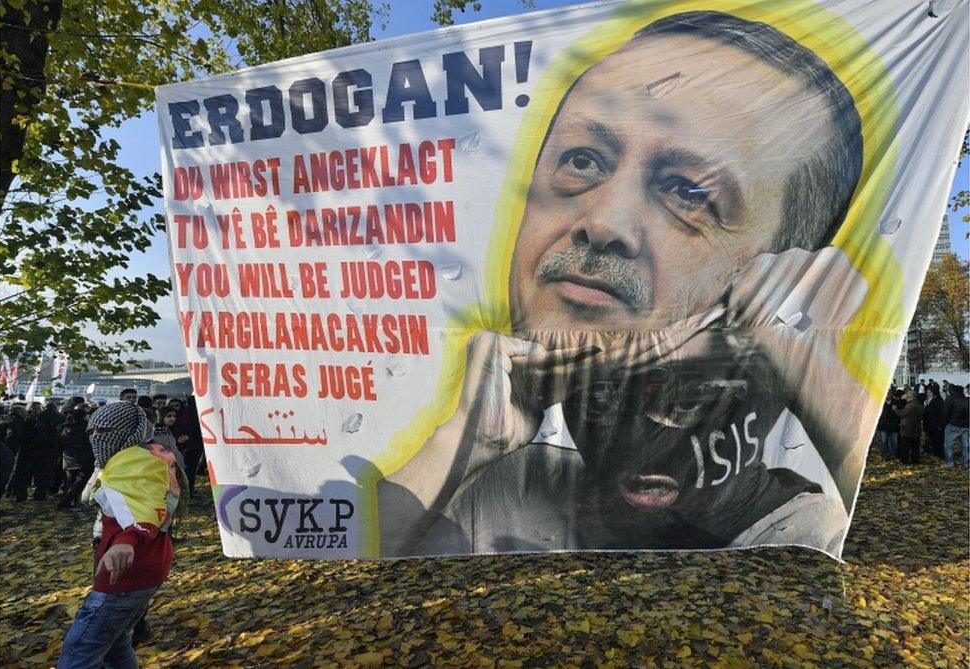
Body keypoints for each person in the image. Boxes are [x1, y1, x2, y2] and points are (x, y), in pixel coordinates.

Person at [380, 10, 872, 556]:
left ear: (787, 277)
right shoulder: (502, 492)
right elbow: (344, 585)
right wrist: (460, 441)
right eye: (583, 160)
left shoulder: (811, 535)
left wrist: (818, 373)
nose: (602, 222)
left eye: (689, 193)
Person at [57, 402, 178, 669]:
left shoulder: (134, 460)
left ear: (131, 431)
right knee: (115, 645)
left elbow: (144, 507)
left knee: (79, 653)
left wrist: (126, 542)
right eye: (93, 430)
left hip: (127, 569)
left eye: (106, 430)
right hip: (146, 564)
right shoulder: (149, 455)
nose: (97, 436)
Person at [56, 407, 93, 509]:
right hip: (84, 458)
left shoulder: (63, 428)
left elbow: (59, 444)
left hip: (68, 457)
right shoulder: (87, 428)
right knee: (81, 481)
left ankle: (71, 500)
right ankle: (67, 500)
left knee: (71, 480)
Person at [941, 384, 969, 468]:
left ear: (953, 391)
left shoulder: (950, 399)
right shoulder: (967, 400)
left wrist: (943, 424)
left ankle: (950, 463)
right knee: (966, 445)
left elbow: (945, 413)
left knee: (948, 444)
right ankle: (966, 463)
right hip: (966, 426)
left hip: (953, 425)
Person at [893, 390, 924, 465]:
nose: (906, 398)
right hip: (916, 428)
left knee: (905, 446)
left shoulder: (910, 405)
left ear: (911, 397)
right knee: (915, 446)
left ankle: (905, 461)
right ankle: (915, 461)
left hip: (907, 429)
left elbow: (902, 414)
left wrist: (895, 409)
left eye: (907, 397)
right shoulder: (920, 405)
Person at [876, 391, 902, 460]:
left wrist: (896, 422)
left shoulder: (896, 402)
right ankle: (886, 455)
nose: (887, 395)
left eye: (889, 394)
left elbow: (899, 413)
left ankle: (894, 455)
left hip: (894, 426)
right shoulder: (880, 402)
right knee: (884, 442)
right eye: (886, 394)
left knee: (894, 442)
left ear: (891, 394)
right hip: (883, 426)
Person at [922, 386, 945, 459]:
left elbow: (939, 413)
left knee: (937, 440)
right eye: (927, 392)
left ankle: (940, 455)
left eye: (929, 392)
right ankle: (935, 453)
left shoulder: (937, 401)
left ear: (933, 393)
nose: (927, 394)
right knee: (932, 439)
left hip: (935, 423)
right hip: (928, 423)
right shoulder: (927, 400)